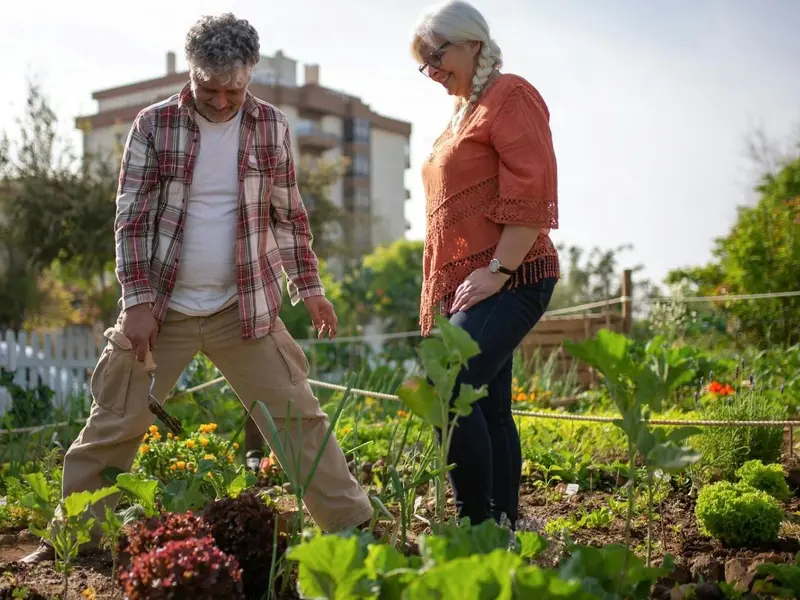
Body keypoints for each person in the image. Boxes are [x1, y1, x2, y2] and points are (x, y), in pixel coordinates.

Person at [22, 13, 373, 564]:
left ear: (250, 74)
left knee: (298, 419)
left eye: (234, 89)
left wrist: (309, 287)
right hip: (163, 310)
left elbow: (288, 216)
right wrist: (137, 302)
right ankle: (72, 539)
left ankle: (351, 526)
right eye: (209, 89)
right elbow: (131, 220)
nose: (222, 101)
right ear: (191, 72)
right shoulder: (154, 124)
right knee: (116, 419)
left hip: (244, 308)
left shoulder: (271, 125)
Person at [411, 0, 560, 530]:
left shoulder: (509, 95)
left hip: (514, 275)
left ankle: (475, 526)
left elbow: (531, 187)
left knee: (447, 386)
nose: (431, 71)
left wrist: (497, 270)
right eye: (423, 64)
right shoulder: (462, 113)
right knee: (488, 405)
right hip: (475, 283)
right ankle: (502, 525)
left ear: (472, 42)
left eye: (437, 56)